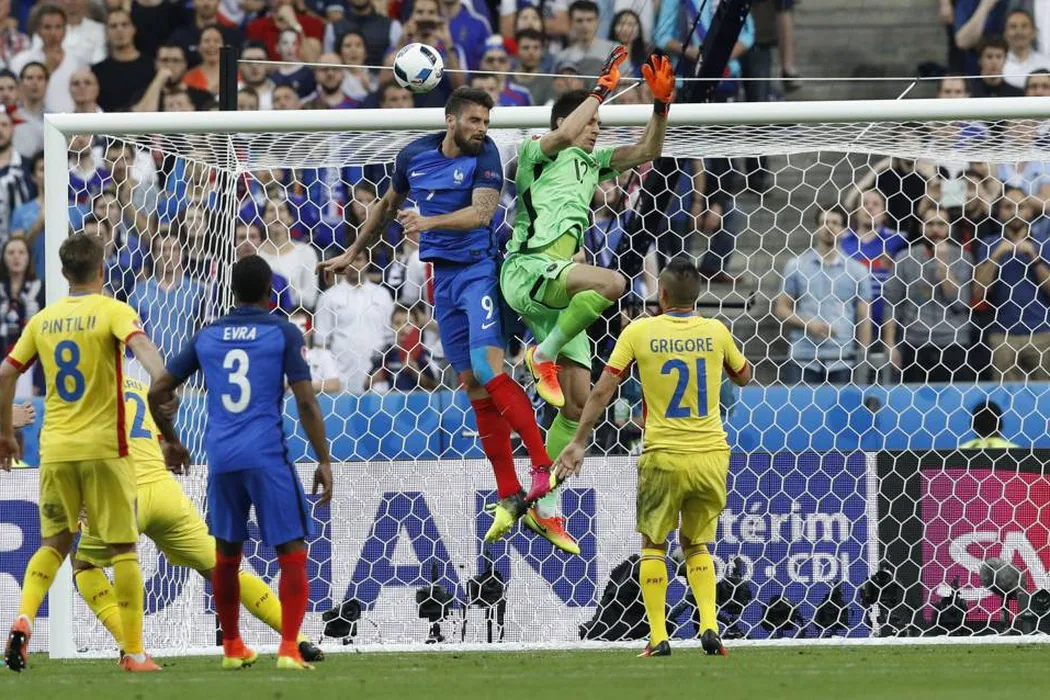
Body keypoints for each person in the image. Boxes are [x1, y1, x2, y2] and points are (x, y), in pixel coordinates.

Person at [319, 87, 570, 551]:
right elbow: (386, 207)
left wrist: (428, 223)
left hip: (479, 272)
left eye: (486, 122)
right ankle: (509, 492)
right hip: (443, 281)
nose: (482, 129)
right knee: (472, 384)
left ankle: (542, 469)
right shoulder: (413, 156)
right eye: (474, 120)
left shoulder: (485, 155)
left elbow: (483, 213)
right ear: (451, 120)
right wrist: (353, 251)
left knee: (489, 370)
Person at [499, 49, 672, 531]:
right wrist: (598, 91)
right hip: (528, 271)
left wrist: (661, 107)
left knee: (578, 407)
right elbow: (560, 135)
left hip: (560, 294)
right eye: (590, 121)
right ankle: (542, 354)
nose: (596, 128)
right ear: (565, 121)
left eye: (598, 121)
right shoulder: (537, 153)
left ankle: (544, 502)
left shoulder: (593, 166)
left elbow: (648, 152)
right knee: (614, 281)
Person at [553, 257, 752, 658]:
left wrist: (578, 441)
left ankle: (659, 636)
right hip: (711, 455)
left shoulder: (639, 331)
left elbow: (603, 390)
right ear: (698, 295)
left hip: (663, 454)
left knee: (654, 545)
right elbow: (745, 376)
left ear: (661, 294)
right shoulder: (716, 330)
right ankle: (709, 627)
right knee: (696, 544)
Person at [147, 255, 333, 671]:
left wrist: (172, 440)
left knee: (227, 555)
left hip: (222, 458)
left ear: (232, 291)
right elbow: (306, 401)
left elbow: (157, 390)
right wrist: (323, 459)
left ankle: (232, 646)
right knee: (291, 550)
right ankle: (289, 648)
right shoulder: (283, 332)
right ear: (270, 290)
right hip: (266, 456)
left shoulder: (207, 335)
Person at [1, 233, 169, 673]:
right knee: (123, 547)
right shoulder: (113, 310)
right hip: (104, 448)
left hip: (56, 448)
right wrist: (163, 381)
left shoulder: (42, 320)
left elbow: (5, 373)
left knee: (55, 543)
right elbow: (143, 349)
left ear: (62, 273)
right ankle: (134, 653)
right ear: (102, 270)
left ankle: (23, 617)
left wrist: (5, 434)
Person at [72, 376, 325, 664]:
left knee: (84, 566)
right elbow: (160, 445)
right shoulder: (140, 389)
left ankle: (129, 646)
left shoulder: (82, 392)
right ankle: (297, 639)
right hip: (165, 495)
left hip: (121, 499)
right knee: (224, 570)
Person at [775, 206, 873, 384]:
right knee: (800, 403)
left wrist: (863, 356)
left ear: (844, 230)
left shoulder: (858, 270)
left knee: (840, 403)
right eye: (824, 222)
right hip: (803, 356)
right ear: (816, 228)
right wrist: (808, 323)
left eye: (835, 223)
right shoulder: (796, 265)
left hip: (841, 357)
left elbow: (864, 317)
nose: (829, 227)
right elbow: (781, 309)